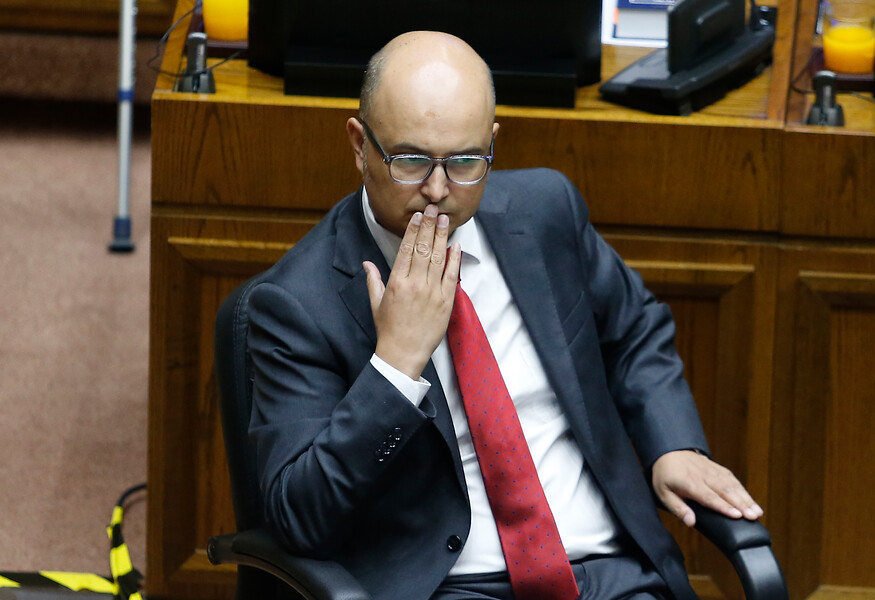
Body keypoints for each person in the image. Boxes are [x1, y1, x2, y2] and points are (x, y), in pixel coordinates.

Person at [246, 31, 763, 600]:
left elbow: (633, 330)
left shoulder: (545, 212)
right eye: (411, 160)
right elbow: (300, 518)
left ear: (491, 144)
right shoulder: (296, 303)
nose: (438, 190)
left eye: (465, 161)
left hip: (611, 572)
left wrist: (672, 445)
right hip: (453, 586)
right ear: (359, 144)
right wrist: (394, 367)